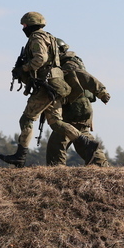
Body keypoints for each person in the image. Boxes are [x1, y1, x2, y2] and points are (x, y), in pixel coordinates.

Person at [0, 12, 100, 168]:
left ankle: (20, 155)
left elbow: (40, 59)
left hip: (46, 86)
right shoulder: (50, 38)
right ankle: (86, 143)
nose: (23, 28)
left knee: (26, 119)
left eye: (24, 25)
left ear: (30, 25)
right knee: (56, 122)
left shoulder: (36, 37)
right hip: (56, 85)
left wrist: (24, 68)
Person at [46, 38, 110, 166]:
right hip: (80, 107)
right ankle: (101, 166)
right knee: (82, 137)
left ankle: (56, 170)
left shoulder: (68, 64)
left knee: (58, 141)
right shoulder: (66, 63)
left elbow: (84, 77)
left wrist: (101, 92)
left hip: (76, 108)